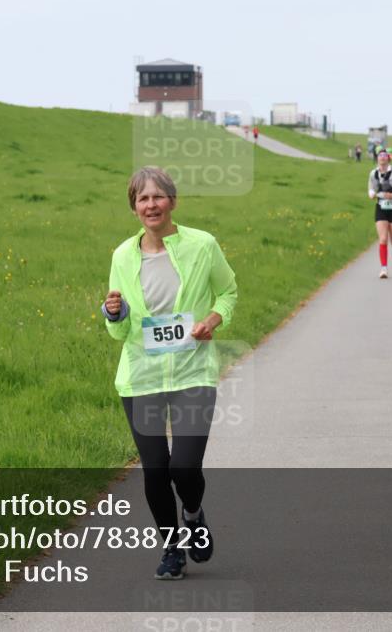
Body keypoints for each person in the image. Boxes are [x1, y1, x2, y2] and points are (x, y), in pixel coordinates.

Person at [102, 166, 238, 579]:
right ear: (134, 207)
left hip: (192, 372)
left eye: (158, 196)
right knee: (156, 470)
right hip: (140, 376)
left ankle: (193, 514)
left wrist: (214, 320)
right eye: (142, 199)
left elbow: (228, 291)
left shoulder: (202, 245)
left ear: (172, 202)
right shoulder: (123, 256)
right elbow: (120, 329)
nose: (151, 205)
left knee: (183, 467)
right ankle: (172, 549)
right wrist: (114, 313)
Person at [368, 150, 392, 279]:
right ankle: (383, 268)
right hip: (381, 207)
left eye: (384, 156)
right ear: (377, 159)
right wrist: (371, 194)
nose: (382, 158)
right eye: (380, 156)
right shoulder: (373, 173)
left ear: (388, 159)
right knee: (383, 239)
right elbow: (371, 188)